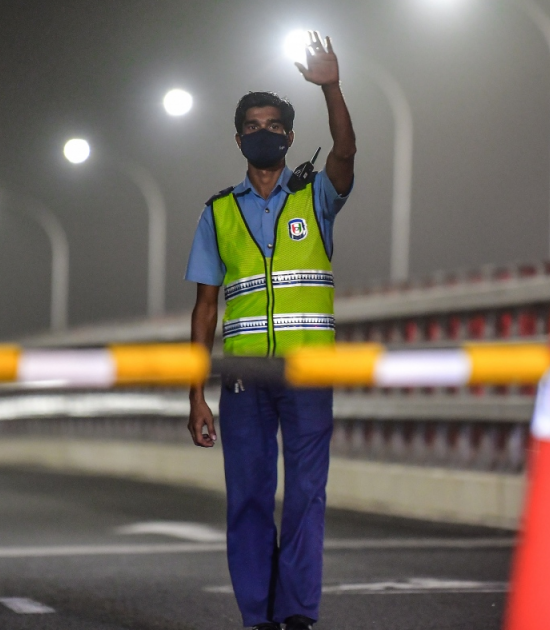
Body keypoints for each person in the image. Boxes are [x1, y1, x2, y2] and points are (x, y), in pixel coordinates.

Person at [184, 31, 355, 630]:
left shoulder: (318, 197)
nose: (264, 131)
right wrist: (194, 393)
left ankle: (298, 615)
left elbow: (345, 151)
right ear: (239, 139)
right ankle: (259, 615)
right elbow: (206, 309)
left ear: (287, 134)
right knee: (250, 499)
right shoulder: (217, 212)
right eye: (252, 124)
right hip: (242, 382)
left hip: (310, 374)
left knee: (307, 496)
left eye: (274, 124)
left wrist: (331, 86)